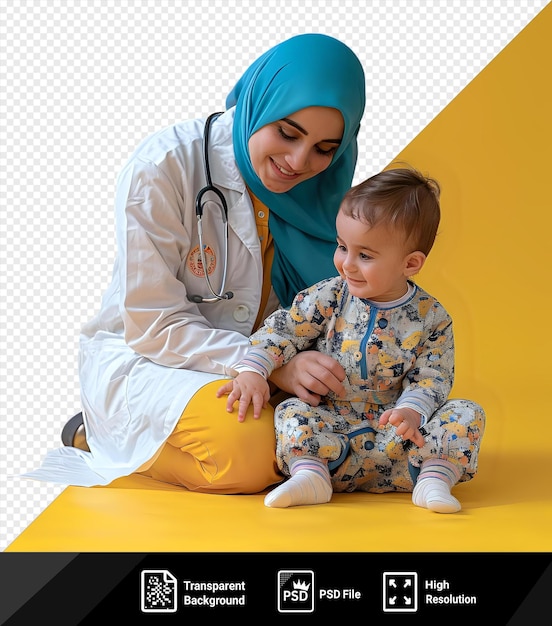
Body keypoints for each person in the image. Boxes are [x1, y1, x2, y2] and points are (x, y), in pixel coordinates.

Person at [23, 33, 366, 493]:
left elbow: (332, 308)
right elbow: (152, 323)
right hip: (159, 360)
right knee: (251, 454)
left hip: (266, 364)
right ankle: (97, 435)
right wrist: (269, 365)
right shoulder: (164, 167)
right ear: (259, 103)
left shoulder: (323, 193)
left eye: (325, 149)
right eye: (287, 133)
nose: (299, 162)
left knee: (352, 438)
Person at [217, 166, 486, 512]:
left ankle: (433, 479)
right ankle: (311, 475)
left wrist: (411, 411)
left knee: (466, 412)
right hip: (333, 434)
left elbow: (433, 376)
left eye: (365, 255)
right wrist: (253, 371)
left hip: (400, 442)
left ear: (411, 263)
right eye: (342, 247)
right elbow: (282, 329)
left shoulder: (431, 317)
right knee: (291, 410)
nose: (347, 264)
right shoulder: (330, 296)